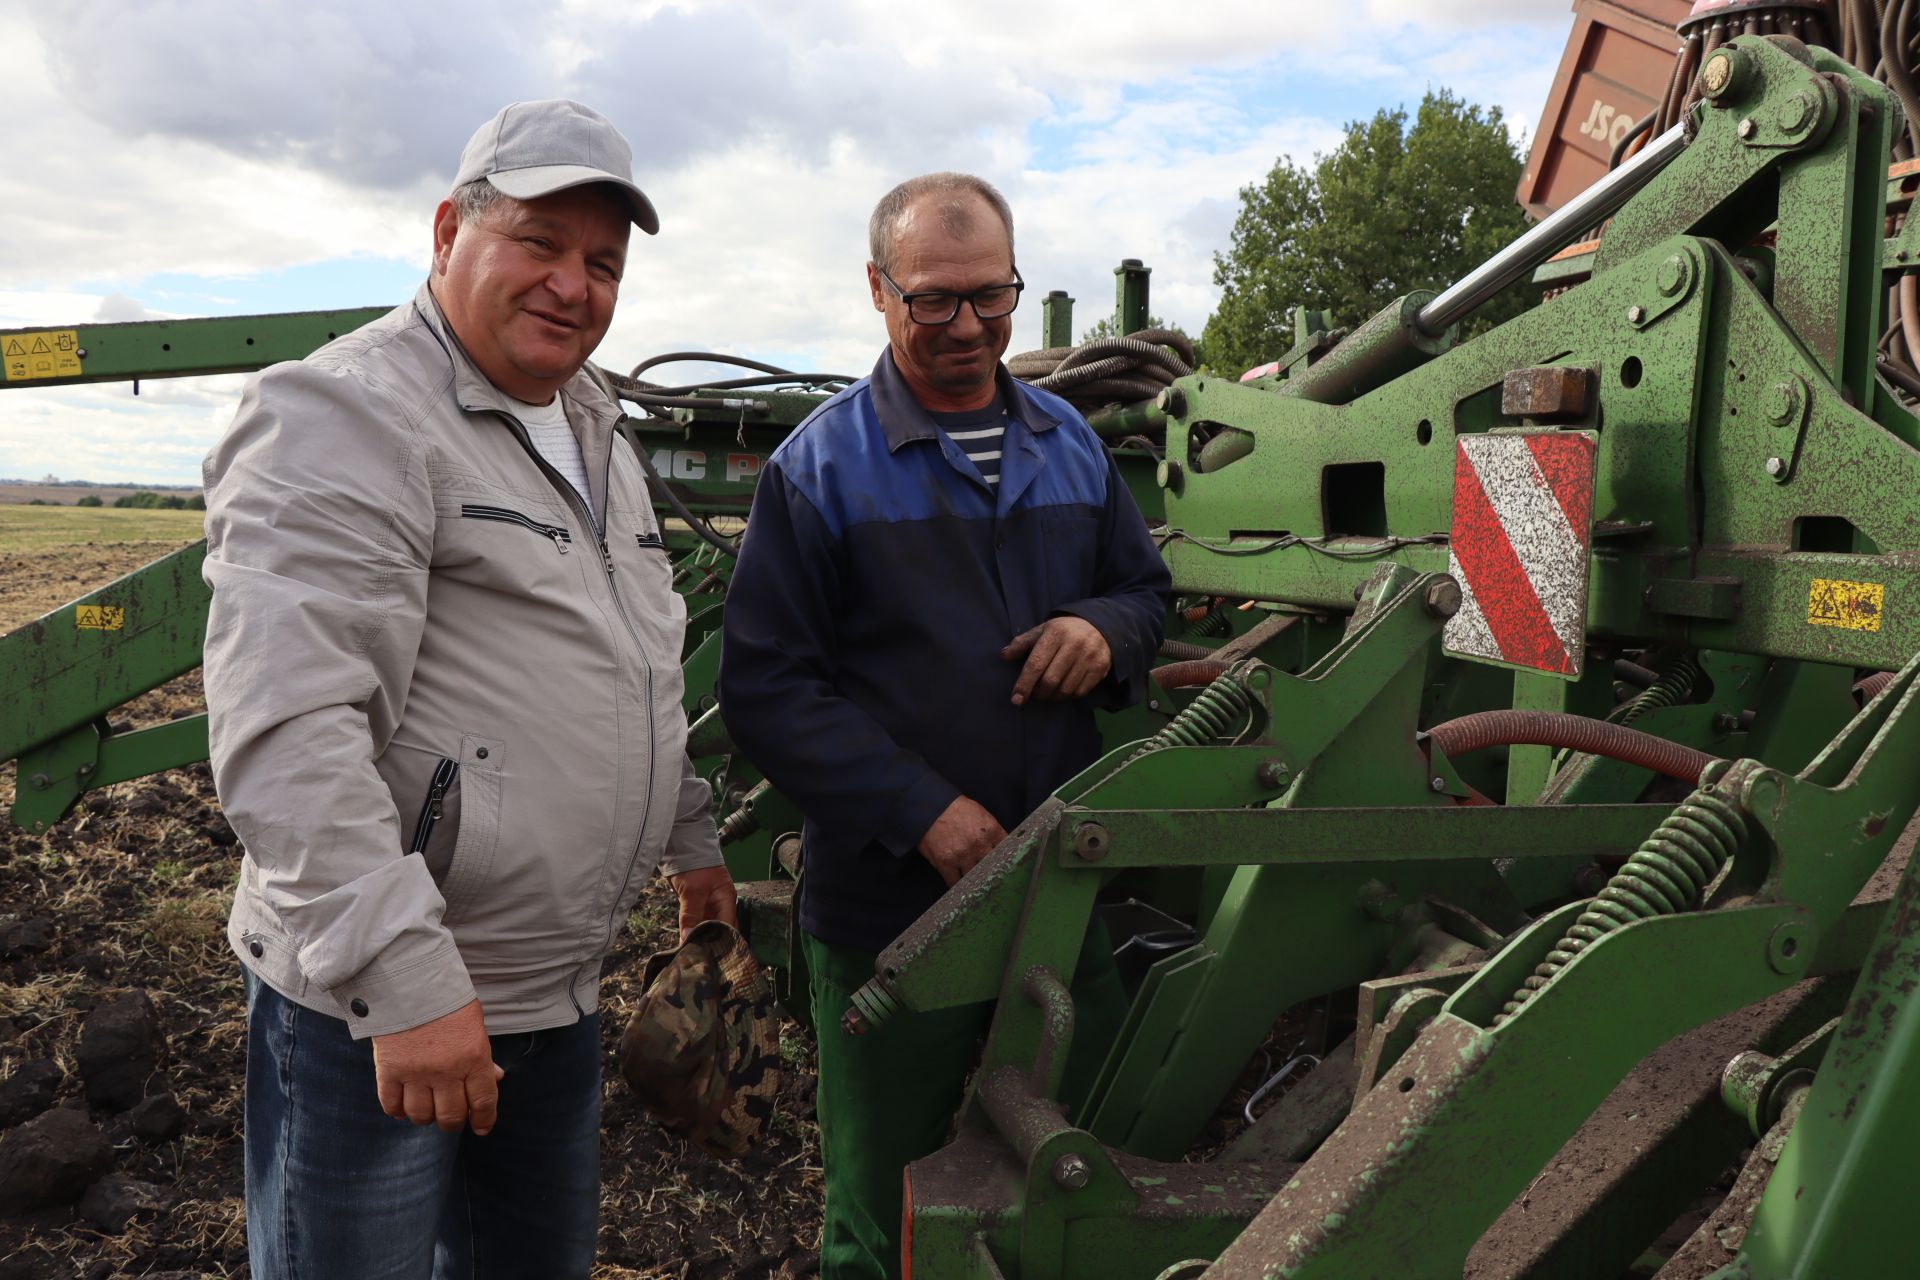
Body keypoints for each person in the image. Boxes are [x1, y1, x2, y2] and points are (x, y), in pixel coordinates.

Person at [200, 99, 736, 1280]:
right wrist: (406, 979)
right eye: (539, 243)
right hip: (382, 1012)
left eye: (602, 262)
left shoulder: (594, 429)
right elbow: (286, 732)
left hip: (555, 990)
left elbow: (633, 664)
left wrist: (693, 845)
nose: (573, 285)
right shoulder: (347, 411)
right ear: (448, 231)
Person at [719, 172, 1171, 1279]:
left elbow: (1147, 593)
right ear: (877, 290)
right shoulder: (818, 470)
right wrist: (922, 809)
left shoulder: (1070, 443)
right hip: (893, 913)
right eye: (933, 299)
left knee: (1098, 1164)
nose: (968, 325)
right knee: (886, 1209)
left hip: (1059, 882)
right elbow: (767, 687)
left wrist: (1107, 629)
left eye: (990, 293)